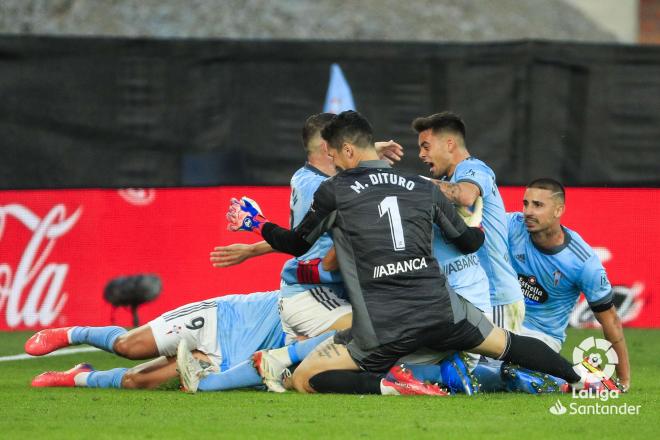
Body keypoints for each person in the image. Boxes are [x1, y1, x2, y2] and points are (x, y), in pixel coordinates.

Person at [218, 110, 615, 396]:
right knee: (505, 343)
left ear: (347, 152)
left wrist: (258, 224)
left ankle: (394, 387)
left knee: (305, 379)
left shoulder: (334, 191)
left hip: (384, 320)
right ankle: (589, 381)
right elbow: (469, 242)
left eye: (335, 154)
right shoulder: (422, 186)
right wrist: (476, 223)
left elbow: (297, 244)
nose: (334, 162)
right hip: (440, 306)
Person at [25, 291, 319, 392]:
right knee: (128, 346)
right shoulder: (323, 288)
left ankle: (81, 376)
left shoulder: (355, 326)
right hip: (224, 319)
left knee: (135, 381)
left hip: (234, 363)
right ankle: (74, 333)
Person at [505, 178, 630, 391]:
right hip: (503, 324)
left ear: (558, 210)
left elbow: (610, 320)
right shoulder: (511, 226)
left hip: (541, 338)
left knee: (507, 374)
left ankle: (577, 379)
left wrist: (623, 380)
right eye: (525, 203)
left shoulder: (582, 262)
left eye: (538, 205)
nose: (527, 211)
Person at [414, 112, 524, 331]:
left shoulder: (473, 168)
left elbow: (465, 196)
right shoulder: (445, 182)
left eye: (426, 147)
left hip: (496, 299)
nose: (420, 154)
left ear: (450, 144)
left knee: (497, 365)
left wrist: (414, 183)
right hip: (465, 296)